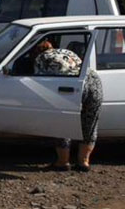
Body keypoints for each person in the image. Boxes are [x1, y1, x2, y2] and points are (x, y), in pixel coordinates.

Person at [31, 38, 103, 172]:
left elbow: (39, 82)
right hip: (93, 81)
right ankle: (83, 162)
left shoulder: (41, 59)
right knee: (89, 123)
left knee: (62, 123)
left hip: (70, 85)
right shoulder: (66, 51)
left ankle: (63, 162)